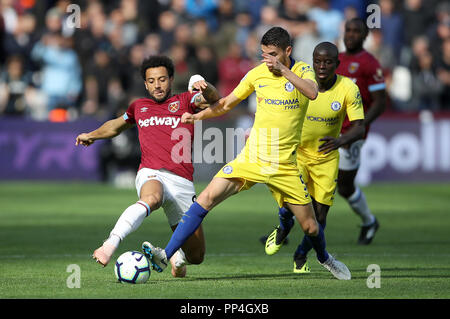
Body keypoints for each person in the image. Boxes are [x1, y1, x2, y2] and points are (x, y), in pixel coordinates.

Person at [141, 27, 351, 280]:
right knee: (204, 199)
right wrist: (197, 115)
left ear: (288, 51)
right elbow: (226, 103)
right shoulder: (257, 74)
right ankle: (166, 254)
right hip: (251, 159)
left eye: (273, 55)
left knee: (311, 226)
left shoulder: (303, 70)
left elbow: (312, 92)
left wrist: (283, 70)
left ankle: (324, 257)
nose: (268, 61)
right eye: (263, 55)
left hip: (283, 164)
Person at [75, 55, 220, 278]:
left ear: (171, 79)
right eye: (151, 81)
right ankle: (110, 243)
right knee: (151, 199)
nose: (157, 85)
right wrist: (92, 136)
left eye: (162, 79)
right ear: (145, 84)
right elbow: (116, 125)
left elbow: (214, 99)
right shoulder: (138, 107)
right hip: (151, 172)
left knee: (197, 256)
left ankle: (177, 257)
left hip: (182, 182)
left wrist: (205, 86)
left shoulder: (185, 101)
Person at [263, 42, 365, 273]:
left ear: (337, 64)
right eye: (317, 61)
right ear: (313, 62)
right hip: (297, 154)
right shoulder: (301, 83)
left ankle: (301, 254)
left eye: (328, 62)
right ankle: (283, 228)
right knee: (292, 207)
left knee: (320, 216)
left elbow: (360, 127)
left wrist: (339, 141)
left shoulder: (348, 88)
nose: (322, 66)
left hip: (326, 159)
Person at [335, 18, 385, 244]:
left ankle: (369, 221)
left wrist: (360, 126)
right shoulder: (336, 60)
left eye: (357, 31)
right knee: (305, 180)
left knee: (344, 187)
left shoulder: (370, 64)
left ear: (365, 36)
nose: (351, 35)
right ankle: (285, 228)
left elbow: (380, 102)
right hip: (330, 129)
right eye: (348, 30)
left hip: (351, 136)